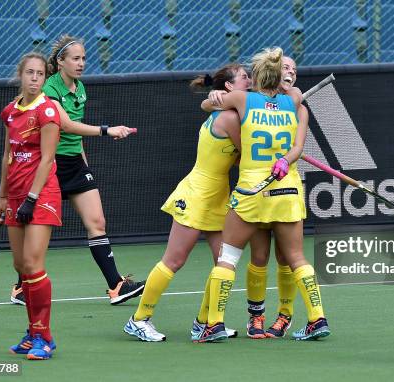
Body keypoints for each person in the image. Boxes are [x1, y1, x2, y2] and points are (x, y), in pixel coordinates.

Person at [194, 46, 329, 343]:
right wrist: (285, 159)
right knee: (297, 257)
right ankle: (317, 317)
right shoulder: (294, 101)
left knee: (227, 257)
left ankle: (214, 323)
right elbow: (296, 141)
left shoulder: (242, 99)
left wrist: (214, 98)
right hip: (287, 189)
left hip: (252, 191)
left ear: (256, 77)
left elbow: (207, 105)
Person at [9, 34, 144, 306]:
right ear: (60, 62)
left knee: (97, 223)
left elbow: (75, 135)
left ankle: (116, 285)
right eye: (76, 59)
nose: (81, 63)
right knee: (34, 231)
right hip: (48, 164)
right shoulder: (49, 89)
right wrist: (107, 130)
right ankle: (22, 287)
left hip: (74, 165)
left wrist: (84, 165)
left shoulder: (80, 89)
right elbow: (66, 125)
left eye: (84, 58)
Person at [122, 64, 251, 341]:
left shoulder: (230, 112)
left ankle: (205, 324)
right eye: (244, 77)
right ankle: (138, 319)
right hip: (196, 194)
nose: (250, 81)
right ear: (228, 87)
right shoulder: (229, 118)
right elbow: (249, 156)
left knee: (223, 262)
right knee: (174, 260)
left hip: (218, 196)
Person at [210, 56, 303, 339]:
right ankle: (256, 317)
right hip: (260, 193)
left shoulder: (295, 103)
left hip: (281, 192)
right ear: (274, 73)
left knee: (286, 259)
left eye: (294, 70)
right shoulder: (257, 100)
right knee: (260, 257)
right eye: (285, 68)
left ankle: (284, 316)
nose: (290, 72)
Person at [0, 52, 61, 360]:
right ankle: (32, 333)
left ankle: (45, 337)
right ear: (20, 75)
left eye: (40, 74)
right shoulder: (10, 111)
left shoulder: (47, 110)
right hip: (15, 196)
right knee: (21, 268)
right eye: (30, 73)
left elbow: (47, 159)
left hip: (42, 196)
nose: (35, 78)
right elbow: (7, 157)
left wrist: (32, 199)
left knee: (34, 266)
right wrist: (2, 197)